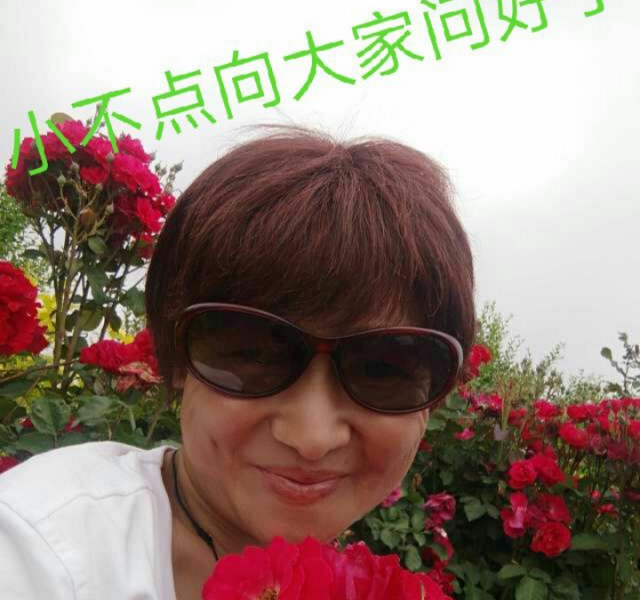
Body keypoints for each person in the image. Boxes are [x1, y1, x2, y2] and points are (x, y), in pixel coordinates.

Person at [0, 127, 475, 600]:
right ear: (176, 357)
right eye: (251, 354)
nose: (312, 438)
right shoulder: (43, 552)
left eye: (382, 370)